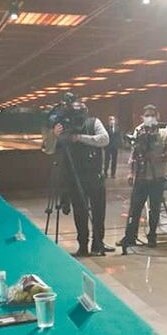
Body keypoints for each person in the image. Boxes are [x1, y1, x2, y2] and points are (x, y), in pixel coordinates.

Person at [52, 99, 112, 256]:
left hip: (95, 176)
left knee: (99, 212)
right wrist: (55, 136)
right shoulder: (63, 126)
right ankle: (83, 246)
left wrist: (79, 137)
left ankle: (98, 244)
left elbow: (104, 139)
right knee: (80, 213)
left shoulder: (94, 122)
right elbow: (48, 148)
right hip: (74, 177)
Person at [118, 105, 167, 253]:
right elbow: (134, 154)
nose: (149, 118)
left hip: (157, 176)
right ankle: (130, 236)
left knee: (154, 208)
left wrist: (154, 157)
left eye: (152, 115)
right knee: (135, 208)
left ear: (157, 115)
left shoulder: (165, 131)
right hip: (141, 176)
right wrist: (131, 172)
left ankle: (152, 236)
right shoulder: (139, 130)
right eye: (146, 115)